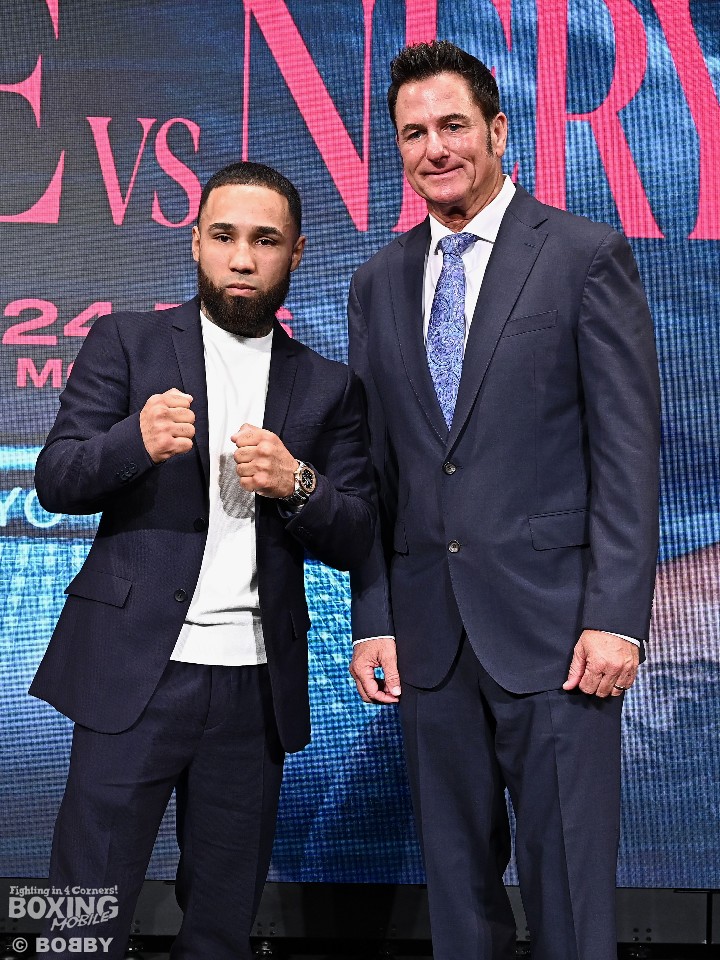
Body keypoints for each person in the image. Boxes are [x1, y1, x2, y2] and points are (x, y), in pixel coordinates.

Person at [348, 41, 660, 960]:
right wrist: (375, 617)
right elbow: (375, 471)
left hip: (560, 635)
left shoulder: (583, 255)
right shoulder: (378, 281)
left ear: (497, 130)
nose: (435, 148)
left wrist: (617, 618)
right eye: (414, 134)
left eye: (453, 126)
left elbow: (627, 452)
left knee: (569, 897)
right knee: (457, 897)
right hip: (429, 638)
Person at [31, 160, 375, 960]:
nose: (242, 258)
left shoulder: (328, 386)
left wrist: (298, 483)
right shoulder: (128, 341)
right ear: (194, 243)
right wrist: (133, 441)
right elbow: (55, 479)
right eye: (224, 236)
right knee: (82, 914)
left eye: (265, 240)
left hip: (254, 687)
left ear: (296, 252)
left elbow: (357, 531)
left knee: (221, 923)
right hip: (133, 672)